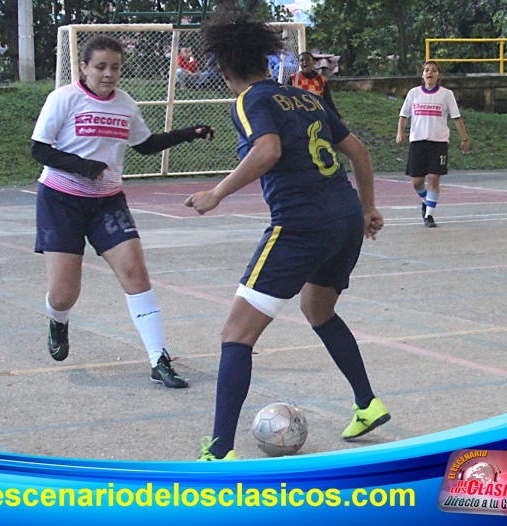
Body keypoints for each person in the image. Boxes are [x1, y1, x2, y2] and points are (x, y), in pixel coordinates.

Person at [185, 12, 390, 460]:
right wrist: (368, 207)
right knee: (319, 311)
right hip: (344, 219)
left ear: (223, 68)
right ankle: (367, 403)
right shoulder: (305, 97)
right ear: (262, 56)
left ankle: (218, 452)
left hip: (302, 225)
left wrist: (216, 193)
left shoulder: (249, 101)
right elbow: (357, 149)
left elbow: (268, 149)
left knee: (236, 334)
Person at [30, 35, 214, 389]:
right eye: (100, 67)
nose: (108, 74)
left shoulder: (125, 105)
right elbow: (39, 150)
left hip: (107, 202)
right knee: (64, 293)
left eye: (115, 67)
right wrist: (83, 167)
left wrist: (189, 133)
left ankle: (158, 360)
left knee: (134, 272)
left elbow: (145, 146)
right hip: (60, 200)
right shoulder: (64, 99)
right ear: (84, 68)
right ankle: (58, 319)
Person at [396, 60, 471, 228]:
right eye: (427, 70)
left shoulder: (446, 94)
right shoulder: (414, 93)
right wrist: (400, 132)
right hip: (418, 141)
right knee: (416, 182)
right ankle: (427, 201)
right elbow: (404, 115)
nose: (430, 73)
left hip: (438, 142)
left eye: (434, 70)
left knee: (434, 179)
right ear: (422, 74)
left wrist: (465, 138)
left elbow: (456, 117)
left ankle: (429, 215)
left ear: (439, 75)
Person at [289, 51, 343, 121]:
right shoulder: (293, 79)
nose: (305, 62)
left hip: (317, 116)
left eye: (308, 59)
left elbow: (328, 101)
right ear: (299, 63)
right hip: (300, 117)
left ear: (313, 62)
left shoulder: (321, 80)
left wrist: (338, 118)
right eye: (302, 60)